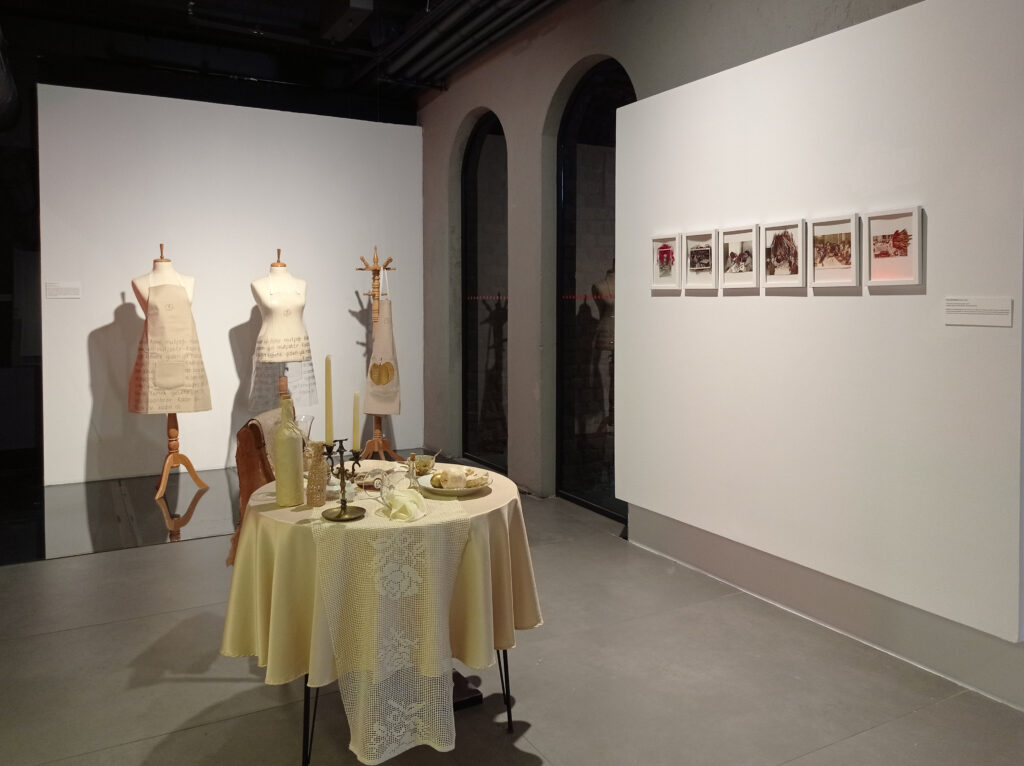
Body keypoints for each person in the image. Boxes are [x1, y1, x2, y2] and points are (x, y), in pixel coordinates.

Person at [129, 250, 211, 414]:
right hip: (156, 354)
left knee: (185, 397)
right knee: (157, 394)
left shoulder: (188, 281)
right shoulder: (140, 282)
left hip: (185, 354)